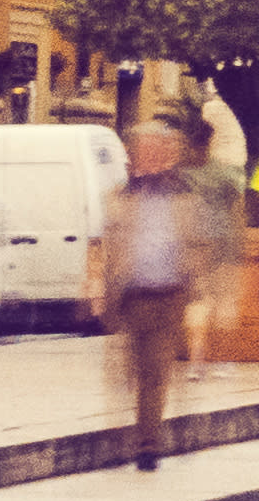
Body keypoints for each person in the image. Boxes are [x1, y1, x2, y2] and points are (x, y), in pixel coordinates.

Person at [85, 117, 218, 471]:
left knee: (156, 370)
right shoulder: (116, 197)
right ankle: (127, 430)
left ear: (171, 156)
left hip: (170, 295)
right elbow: (98, 244)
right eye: (146, 152)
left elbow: (202, 245)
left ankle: (148, 444)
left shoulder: (187, 198)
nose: (153, 159)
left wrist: (201, 286)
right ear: (134, 156)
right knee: (128, 369)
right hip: (129, 297)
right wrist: (96, 283)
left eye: (161, 152)